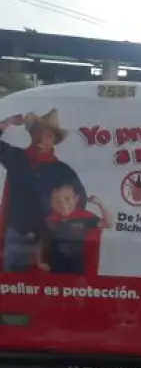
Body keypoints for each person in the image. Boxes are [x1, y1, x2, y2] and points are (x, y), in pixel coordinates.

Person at [0, 109, 70, 272]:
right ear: (32, 135)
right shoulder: (16, 157)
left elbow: (74, 204)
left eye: (48, 135)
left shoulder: (61, 171)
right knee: (14, 289)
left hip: (48, 242)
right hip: (15, 237)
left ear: (54, 140)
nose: (41, 139)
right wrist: (7, 122)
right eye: (38, 133)